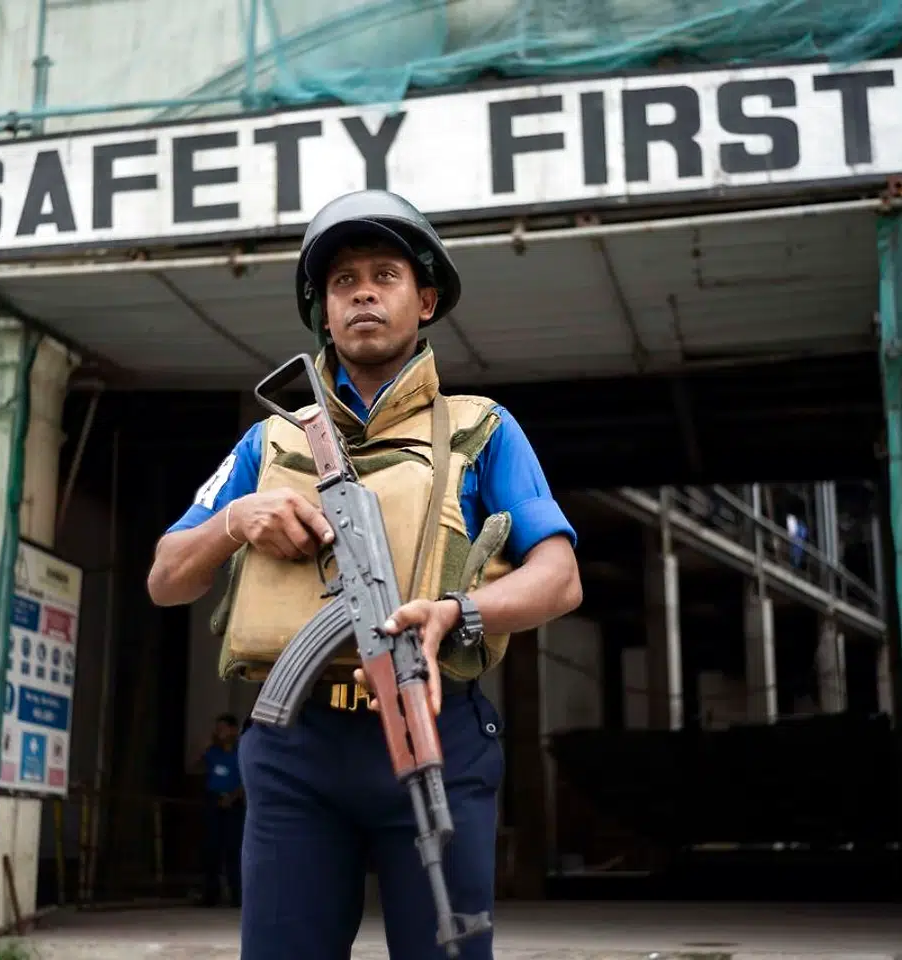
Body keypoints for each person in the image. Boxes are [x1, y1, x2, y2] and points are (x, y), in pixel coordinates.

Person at [147, 189, 583, 960]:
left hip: (433, 724)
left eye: (386, 275)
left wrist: (459, 612)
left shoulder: (481, 429)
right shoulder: (270, 441)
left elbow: (559, 579)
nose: (365, 294)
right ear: (323, 311)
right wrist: (235, 519)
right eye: (344, 282)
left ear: (426, 299)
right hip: (297, 743)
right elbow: (166, 578)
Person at [195, 712, 245, 907]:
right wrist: (205, 746)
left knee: (233, 849)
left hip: (233, 803)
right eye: (218, 729)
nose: (219, 732)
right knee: (211, 849)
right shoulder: (213, 752)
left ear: (233, 730)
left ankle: (236, 896)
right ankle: (210, 895)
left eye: (223, 728)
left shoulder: (240, 753)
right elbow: (197, 764)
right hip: (213, 800)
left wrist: (232, 797)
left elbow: (245, 780)